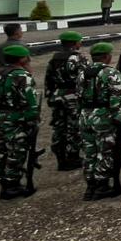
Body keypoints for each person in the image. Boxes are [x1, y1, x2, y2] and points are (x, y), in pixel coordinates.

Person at [0, 44, 40, 200]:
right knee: (16, 152)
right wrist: (32, 122)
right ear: (22, 59)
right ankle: (12, 186)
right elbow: (30, 102)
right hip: (16, 119)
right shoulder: (22, 76)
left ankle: (4, 184)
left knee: (0, 153)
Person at [79, 42, 121, 201]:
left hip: (86, 115)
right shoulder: (111, 72)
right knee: (105, 150)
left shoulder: (83, 73)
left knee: (89, 151)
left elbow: (79, 95)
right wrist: (120, 118)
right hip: (103, 116)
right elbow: (117, 98)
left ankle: (90, 185)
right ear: (107, 56)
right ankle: (102, 185)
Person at [44, 30, 87, 170]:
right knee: (74, 127)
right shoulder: (78, 58)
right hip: (73, 96)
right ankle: (72, 157)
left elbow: (48, 80)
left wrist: (50, 95)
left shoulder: (55, 58)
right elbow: (84, 79)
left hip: (58, 96)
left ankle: (60, 157)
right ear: (75, 43)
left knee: (59, 127)